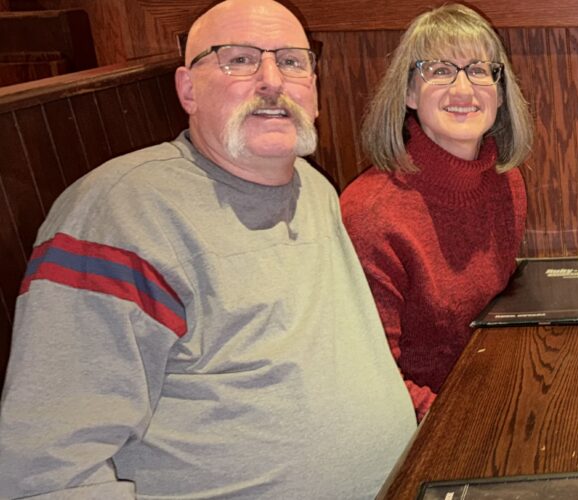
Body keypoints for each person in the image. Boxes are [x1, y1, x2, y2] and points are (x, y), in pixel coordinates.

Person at [0, 0, 416, 497]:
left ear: (315, 91)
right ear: (187, 89)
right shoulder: (119, 213)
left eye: (291, 61)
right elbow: (48, 473)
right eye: (238, 59)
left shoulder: (315, 189)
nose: (271, 80)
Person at [341, 4, 534, 420]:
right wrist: (458, 425)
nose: (464, 89)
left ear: (500, 92)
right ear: (409, 92)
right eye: (440, 70)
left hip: (491, 396)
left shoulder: (507, 183)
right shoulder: (370, 215)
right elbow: (374, 381)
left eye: (480, 70)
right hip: (425, 427)